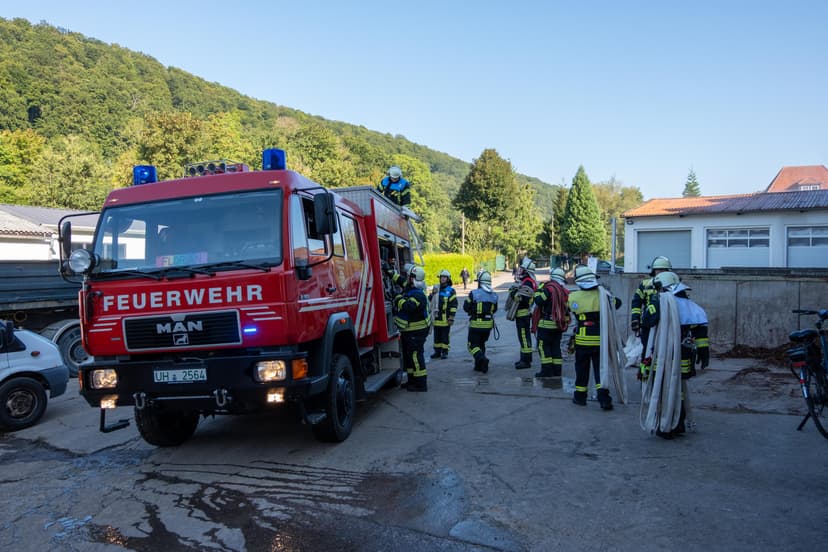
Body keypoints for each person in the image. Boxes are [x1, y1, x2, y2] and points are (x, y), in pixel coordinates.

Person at [640, 270, 710, 439]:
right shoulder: (691, 306)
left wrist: (654, 303)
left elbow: (648, 321)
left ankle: (666, 425)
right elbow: (700, 331)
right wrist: (703, 351)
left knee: (663, 388)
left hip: (663, 355)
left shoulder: (659, 302)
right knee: (678, 388)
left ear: (661, 287)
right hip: (684, 355)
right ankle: (678, 423)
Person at [566, 265, 622, 410]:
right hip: (601, 339)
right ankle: (604, 399)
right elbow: (618, 303)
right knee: (600, 370)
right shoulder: (604, 295)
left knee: (581, 369)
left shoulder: (573, 297)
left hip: (582, 340)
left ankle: (580, 397)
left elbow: (568, 310)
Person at [631, 256, 673, 380]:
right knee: (648, 350)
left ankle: (664, 378)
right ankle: (645, 376)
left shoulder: (673, 283)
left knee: (666, 351)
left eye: (663, 270)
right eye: (658, 270)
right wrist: (635, 320)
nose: (660, 273)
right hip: (648, 325)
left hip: (667, 323)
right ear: (653, 271)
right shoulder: (645, 284)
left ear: (668, 271)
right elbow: (636, 303)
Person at [393, 266, 430, 392]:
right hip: (410, 331)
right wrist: (390, 272)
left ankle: (421, 384)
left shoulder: (419, 295)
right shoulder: (412, 288)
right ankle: (412, 381)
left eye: (410, 276)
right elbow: (402, 281)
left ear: (413, 279)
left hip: (416, 332)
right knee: (409, 357)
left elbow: (408, 306)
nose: (407, 278)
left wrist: (398, 298)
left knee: (415, 356)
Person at [532, 267, 570, 379]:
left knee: (543, 347)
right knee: (555, 347)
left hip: (546, 325)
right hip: (558, 325)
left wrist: (539, 289)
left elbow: (538, 301)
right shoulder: (563, 290)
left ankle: (546, 370)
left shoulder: (549, 289)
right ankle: (557, 370)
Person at [464, 270, 498, 373]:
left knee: (472, 345)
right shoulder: (494, 295)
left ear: (480, 282)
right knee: (481, 344)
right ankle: (479, 366)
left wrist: (472, 311)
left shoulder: (474, 293)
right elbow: (495, 309)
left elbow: (466, 307)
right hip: (488, 325)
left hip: (476, 324)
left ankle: (481, 359)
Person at [510, 257, 538, 370]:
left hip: (523, 314)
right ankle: (524, 359)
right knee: (523, 337)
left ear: (527, 271)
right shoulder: (527, 281)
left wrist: (512, 292)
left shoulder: (527, 282)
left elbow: (522, 298)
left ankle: (526, 361)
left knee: (524, 337)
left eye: (522, 269)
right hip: (523, 314)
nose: (520, 271)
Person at [429, 269, 458, 359]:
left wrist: (451, 317)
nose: (442, 279)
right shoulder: (436, 288)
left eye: (444, 277)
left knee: (445, 336)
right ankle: (437, 352)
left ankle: (444, 352)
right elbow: (430, 300)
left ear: (448, 279)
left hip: (445, 318)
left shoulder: (451, 291)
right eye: (441, 277)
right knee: (436, 336)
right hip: (437, 317)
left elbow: (454, 305)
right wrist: (432, 294)